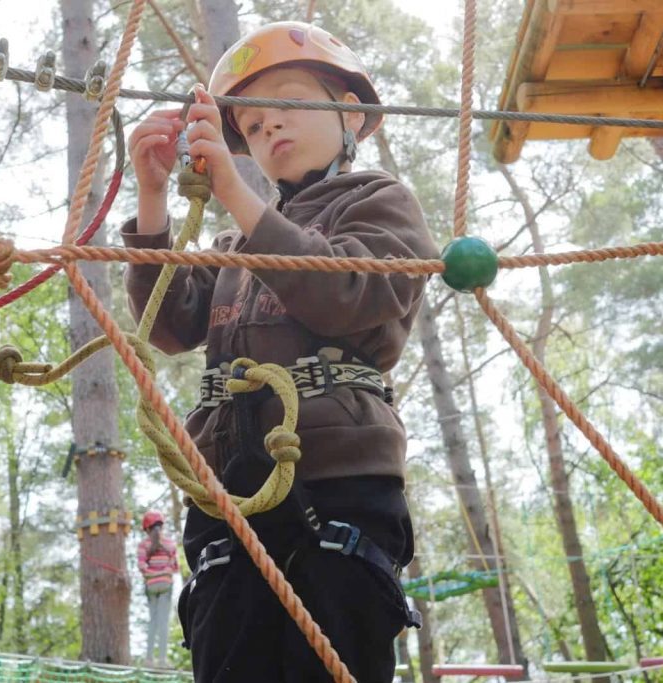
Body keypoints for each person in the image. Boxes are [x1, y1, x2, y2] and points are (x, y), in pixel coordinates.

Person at [124, 21, 437, 682]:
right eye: (255, 125)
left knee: (332, 657)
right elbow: (171, 321)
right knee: (228, 654)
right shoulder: (237, 248)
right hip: (228, 488)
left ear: (350, 111)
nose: (270, 129)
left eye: (290, 105)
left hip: (339, 479)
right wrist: (152, 199)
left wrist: (237, 197)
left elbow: (351, 293)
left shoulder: (379, 201)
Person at [136, 510, 180, 668]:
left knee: (152, 621)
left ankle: (149, 659)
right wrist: (164, 571)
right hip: (166, 585)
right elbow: (175, 567)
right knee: (163, 622)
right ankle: (162, 660)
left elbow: (142, 567)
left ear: (147, 528)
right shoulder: (170, 544)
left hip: (151, 586)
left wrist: (153, 573)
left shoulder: (143, 545)